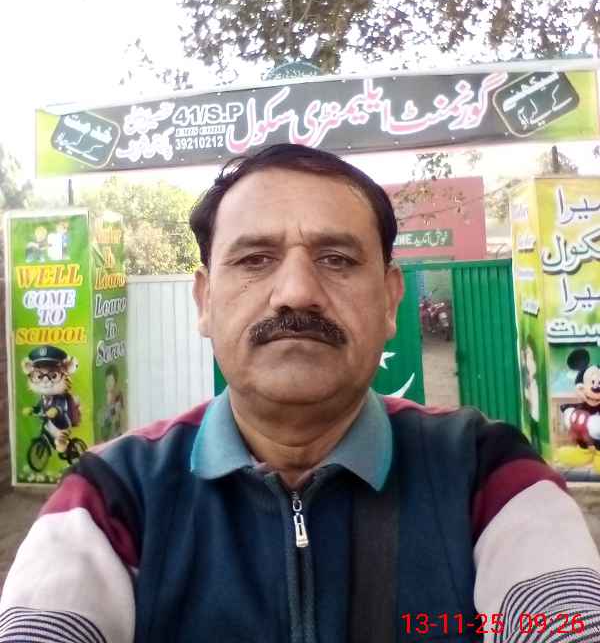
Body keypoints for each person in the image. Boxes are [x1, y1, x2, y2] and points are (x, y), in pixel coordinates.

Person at [1, 143, 599, 643]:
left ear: (390, 300)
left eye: (336, 259)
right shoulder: (112, 496)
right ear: (205, 301)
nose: (296, 292)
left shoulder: (486, 474)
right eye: (254, 259)